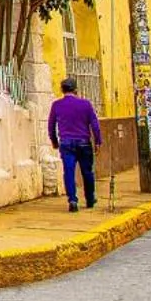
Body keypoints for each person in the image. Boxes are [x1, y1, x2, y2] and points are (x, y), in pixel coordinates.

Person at [47, 77, 103, 212]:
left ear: (62, 90)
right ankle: (90, 198)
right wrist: (98, 141)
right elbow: (95, 125)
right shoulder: (86, 104)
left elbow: (51, 125)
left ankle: (72, 200)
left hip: (66, 143)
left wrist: (54, 141)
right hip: (84, 142)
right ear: (76, 89)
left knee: (69, 171)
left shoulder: (56, 105)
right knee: (87, 171)